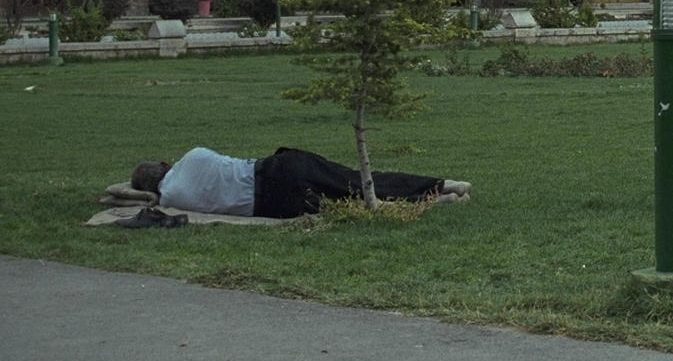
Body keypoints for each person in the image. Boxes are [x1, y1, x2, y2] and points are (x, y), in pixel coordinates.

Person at [130, 147, 471, 219]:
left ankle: (437, 200)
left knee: (346, 204)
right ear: (165, 164)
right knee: (356, 181)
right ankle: (441, 185)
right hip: (276, 169)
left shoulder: (170, 199)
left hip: (275, 205)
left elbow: (120, 194)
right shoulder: (193, 157)